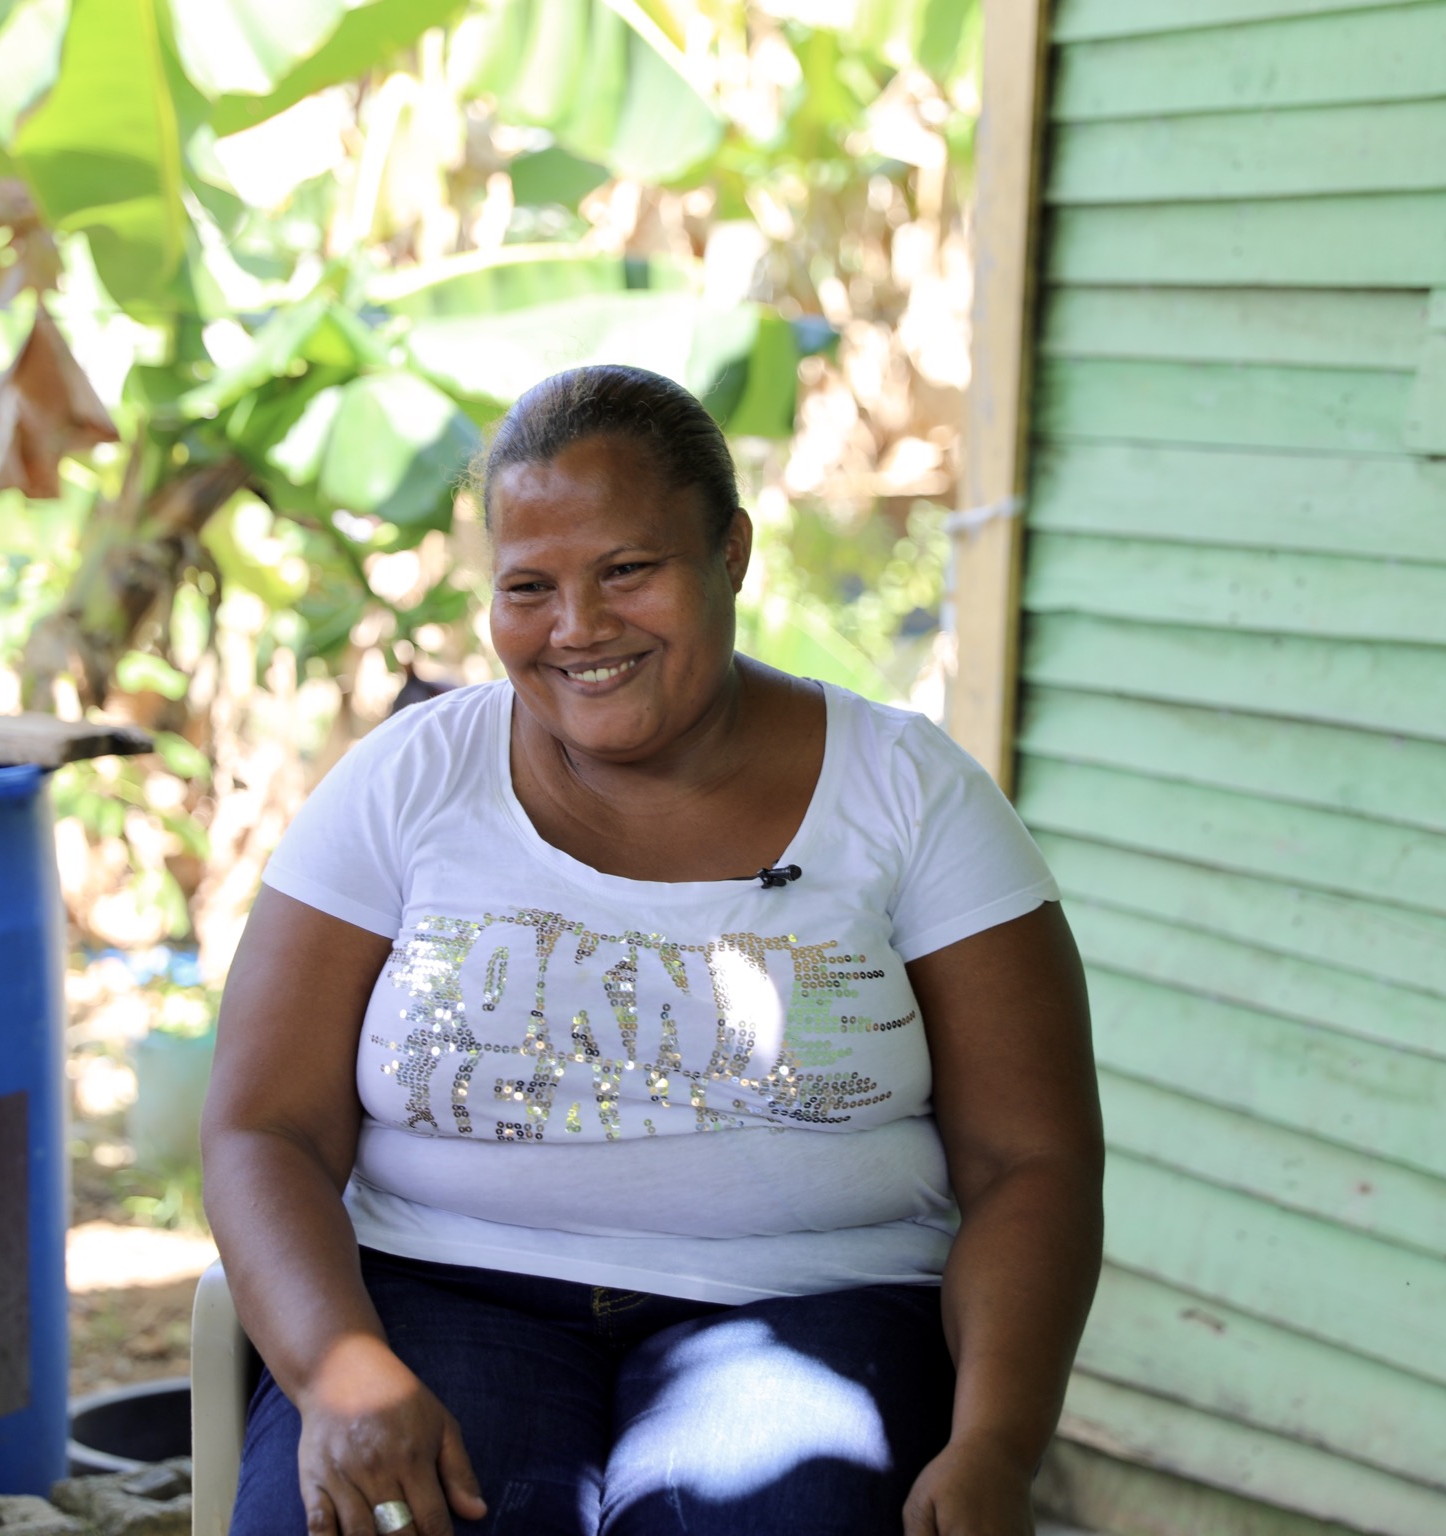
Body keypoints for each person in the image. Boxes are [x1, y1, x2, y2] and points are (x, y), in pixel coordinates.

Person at [203, 365, 1101, 1536]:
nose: (578, 627)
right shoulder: (408, 779)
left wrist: (993, 1446)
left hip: (814, 1302)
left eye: (627, 569)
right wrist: (340, 1370)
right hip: (434, 1292)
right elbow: (263, 1126)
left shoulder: (908, 793)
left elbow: (1030, 1161)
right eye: (529, 586)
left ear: (732, 551)